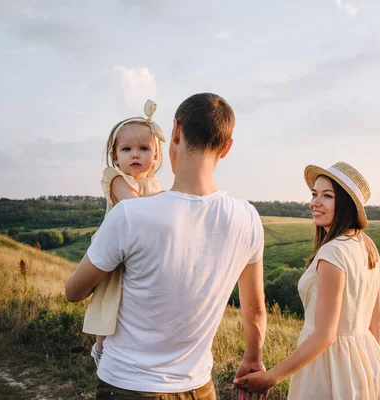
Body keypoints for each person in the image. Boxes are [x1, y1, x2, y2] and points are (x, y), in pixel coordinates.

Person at [65, 93, 268, 400]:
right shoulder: (248, 218)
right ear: (226, 148)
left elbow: (73, 292)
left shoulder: (130, 214)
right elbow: (253, 310)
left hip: (129, 387)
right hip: (200, 387)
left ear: (174, 132)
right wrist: (253, 358)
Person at [233, 162, 380, 400]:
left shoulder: (333, 253)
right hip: (367, 363)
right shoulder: (367, 245)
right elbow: (376, 322)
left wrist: (272, 377)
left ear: (346, 204)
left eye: (327, 196)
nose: (315, 203)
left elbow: (325, 335)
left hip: (328, 367)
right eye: (314, 194)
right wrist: (365, 367)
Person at [82, 99, 165, 365]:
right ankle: (101, 348)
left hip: (138, 252)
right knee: (109, 295)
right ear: (116, 157)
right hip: (113, 251)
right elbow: (133, 206)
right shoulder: (118, 179)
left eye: (143, 148)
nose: (135, 155)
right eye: (127, 149)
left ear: (155, 156)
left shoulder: (155, 185)